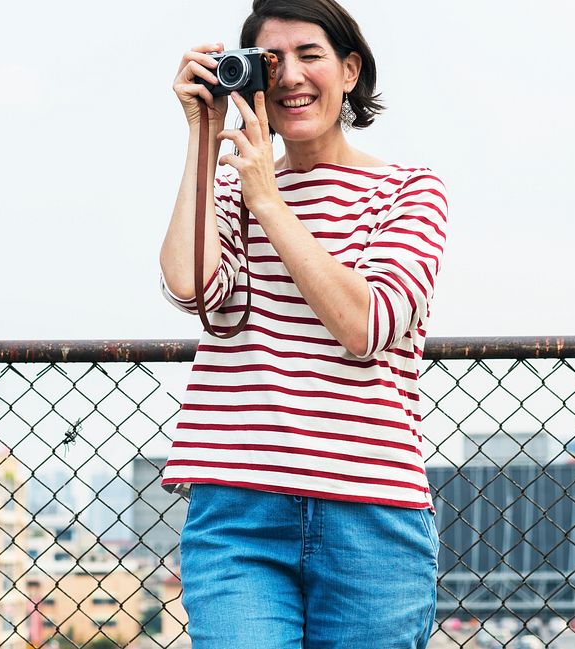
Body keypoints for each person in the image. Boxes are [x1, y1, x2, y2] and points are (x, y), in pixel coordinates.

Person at [158, 1, 448, 647]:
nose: (289, 75)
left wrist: (268, 196)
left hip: (369, 505)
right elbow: (190, 286)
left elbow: (365, 323)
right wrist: (203, 140)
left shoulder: (409, 189)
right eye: (268, 61)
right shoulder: (230, 189)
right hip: (238, 502)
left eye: (308, 55)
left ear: (349, 70)